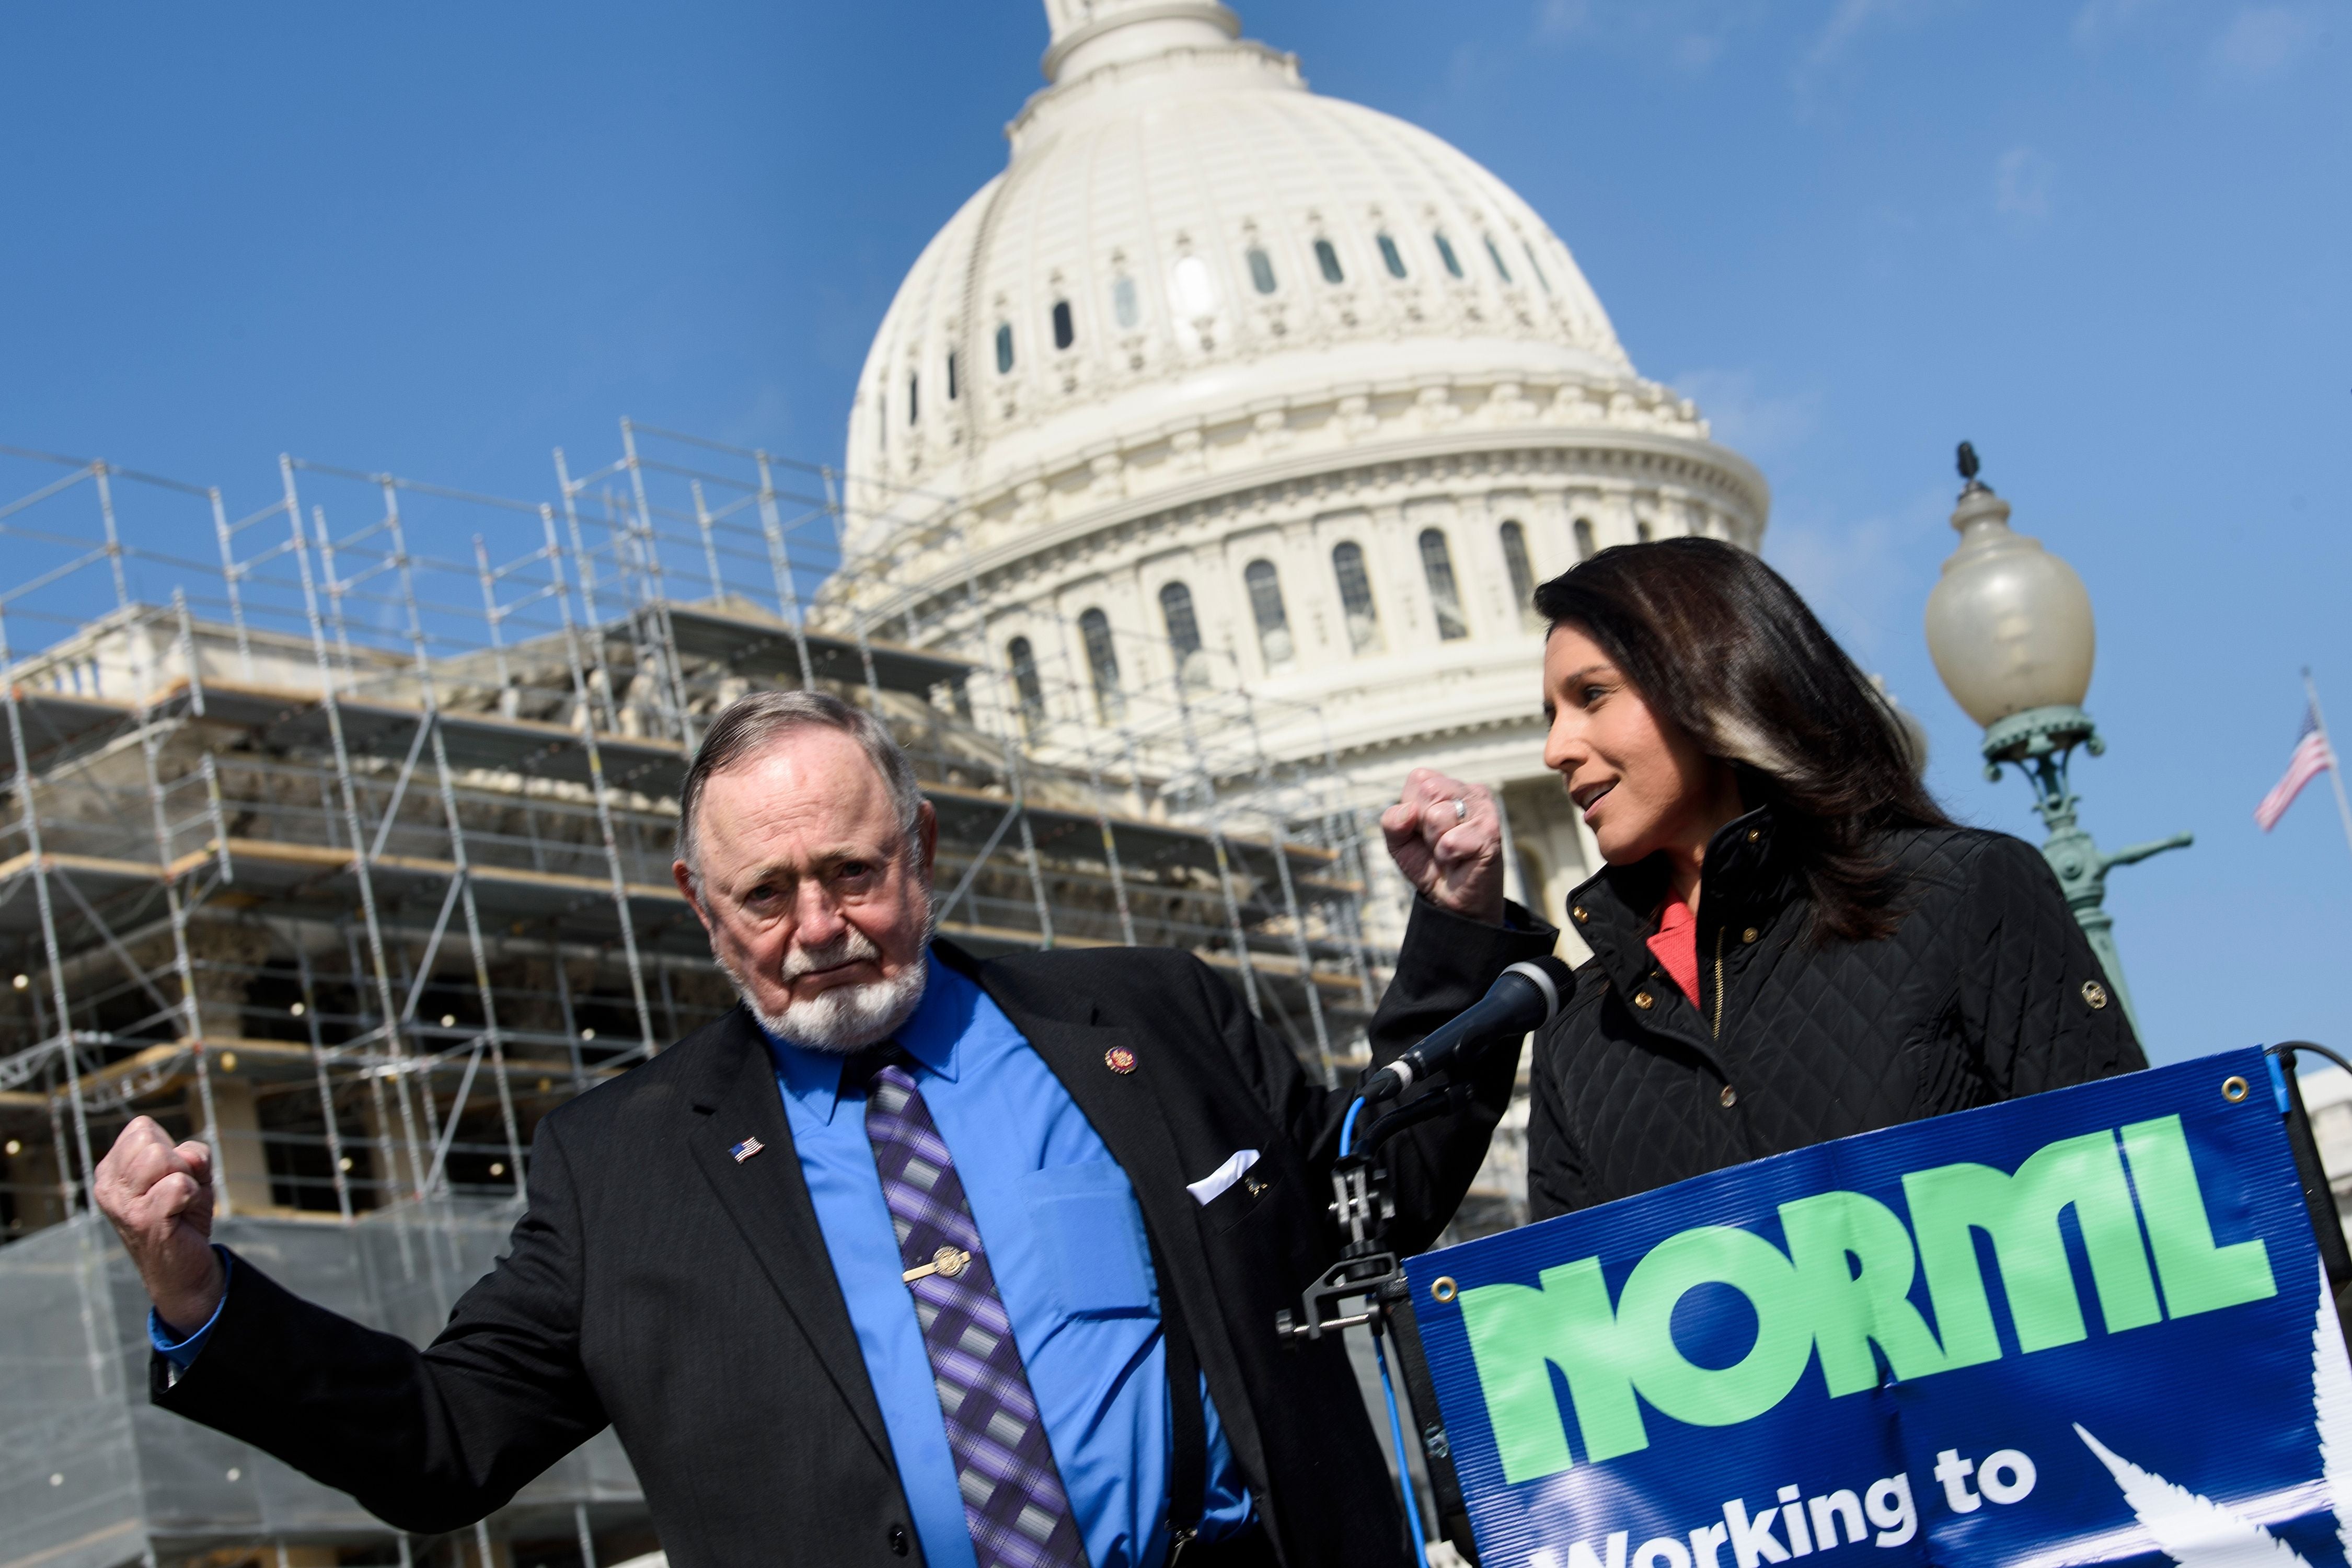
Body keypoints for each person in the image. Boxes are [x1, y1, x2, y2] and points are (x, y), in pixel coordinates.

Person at [94, 690, 1550, 1568]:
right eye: (764, 894)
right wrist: (195, 1296)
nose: (816, 932)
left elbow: (1376, 1191)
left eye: (851, 872)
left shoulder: (1150, 1019)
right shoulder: (625, 1168)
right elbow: (441, 1442)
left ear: (918, 850)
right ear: (695, 901)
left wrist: (1459, 931)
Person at [1524, 537, 2145, 1218]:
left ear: (1708, 679)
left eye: (1593, 695)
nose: (1558, 750)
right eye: (1552, 716)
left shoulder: (1966, 895)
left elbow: (2132, 1200)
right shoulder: (1577, 1037)